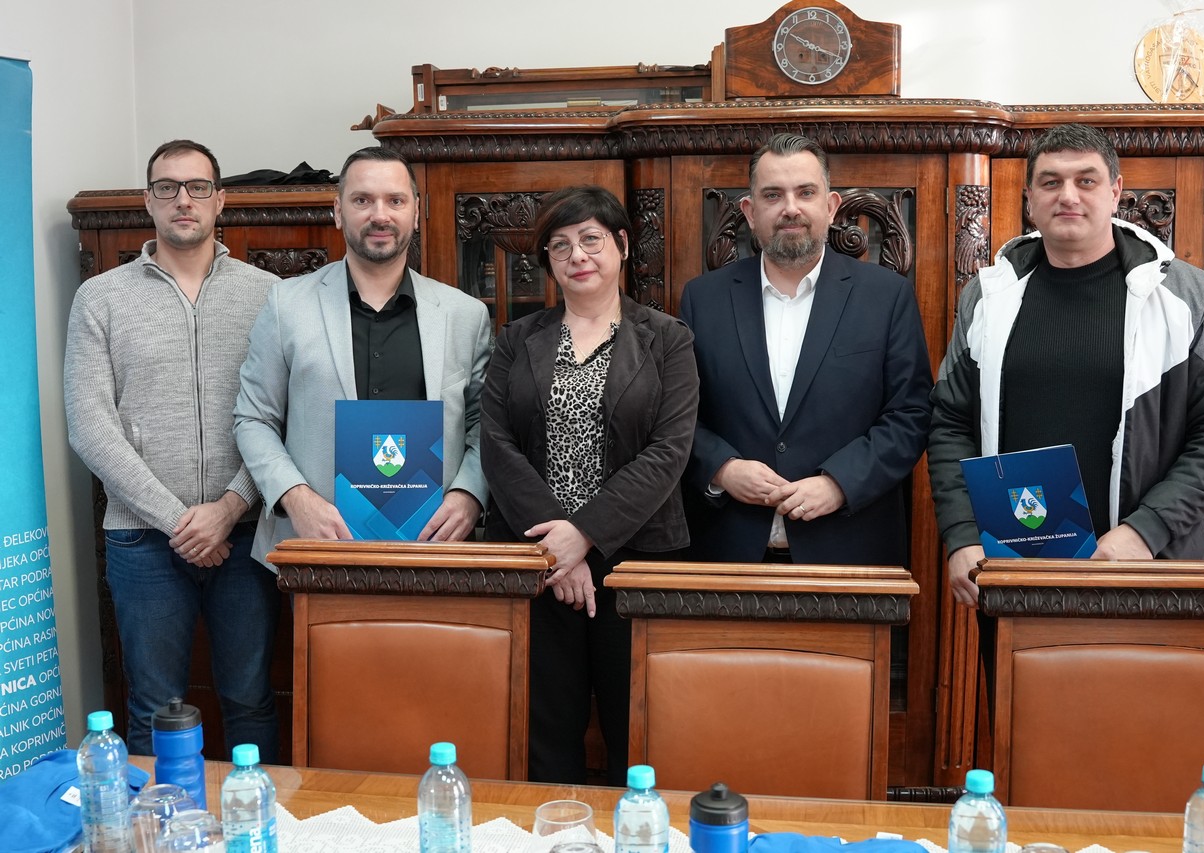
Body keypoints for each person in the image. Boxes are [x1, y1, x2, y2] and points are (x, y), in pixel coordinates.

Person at [929, 122, 1204, 607]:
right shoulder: (986, 297)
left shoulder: (1186, 295)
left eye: (1086, 180)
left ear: (1115, 192)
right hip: (1014, 572)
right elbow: (949, 424)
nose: (1068, 195)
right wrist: (962, 534)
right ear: (1029, 199)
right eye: (1051, 182)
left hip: (1147, 570)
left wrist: (1147, 530)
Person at [64, 139, 280, 759]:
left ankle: (252, 810)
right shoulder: (101, 298)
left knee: (250, 699)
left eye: (197, 187)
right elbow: (89, 425)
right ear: (148, 200)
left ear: (221, 200)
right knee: (153, 706)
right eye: (167, 187)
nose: (183, 199)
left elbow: (284, 417)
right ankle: (159, 815)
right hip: (142, 541)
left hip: (246, 537)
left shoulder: (269, 295)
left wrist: (229, 508)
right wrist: (181, 521)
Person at [481, 185, 698, 785]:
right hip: (536, 560)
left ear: (622, 245)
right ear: (548, 262)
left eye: (591, 240)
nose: (577, 255)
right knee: (543, 726)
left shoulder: (668, 339)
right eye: (560, 245)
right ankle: (551, 828)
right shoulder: (516, 339)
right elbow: (496, 445)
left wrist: (585, 535)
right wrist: (559, 548)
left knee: (640, 724)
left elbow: (669, 451)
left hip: (637, 561)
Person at [680, 132, 933, 566]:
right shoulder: (703, 299)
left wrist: (839, 483)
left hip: (850, 554)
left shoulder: (886, 296)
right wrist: (723, 468)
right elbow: (677, 415)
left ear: (831, 207)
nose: (790, 208)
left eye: (806, 192)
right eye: (773, 195)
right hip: (727, 554)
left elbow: (910, 414)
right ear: (750, 212)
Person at [234, 147, 490, 563]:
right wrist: (295, 498)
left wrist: (469, 495)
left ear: (416, 212)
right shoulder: (286, 306)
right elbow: (253, 419)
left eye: (395, 200)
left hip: (434, 550)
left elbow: (484, 425)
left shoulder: (465, 315)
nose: (380, 215)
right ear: (338, 212)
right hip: (314, 550)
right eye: (362, 200)